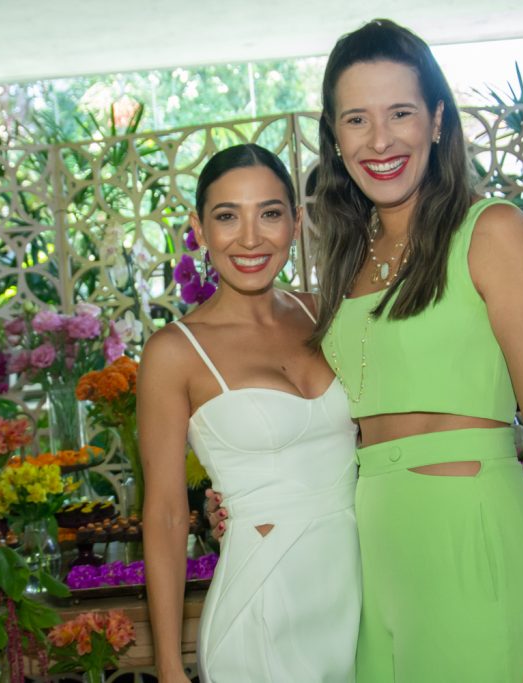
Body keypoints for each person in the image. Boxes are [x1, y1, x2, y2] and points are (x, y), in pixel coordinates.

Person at [310, 19, 523, 683]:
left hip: (473, 546)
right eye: (356, 118)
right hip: (371, 560)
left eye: (401, 113)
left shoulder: (492, 231)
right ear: (334, 135)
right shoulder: (344, 260)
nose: (379, 139)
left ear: (438, 120)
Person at [139, 143, 361, 683]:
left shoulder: (328, 313)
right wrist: (169, 669)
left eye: (269, 213)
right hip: (262, 600)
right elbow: (167, 515)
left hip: (357, 590)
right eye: (226, 217)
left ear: (296, 220)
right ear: (198, 228)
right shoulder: (174, 352)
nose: (250, 238)